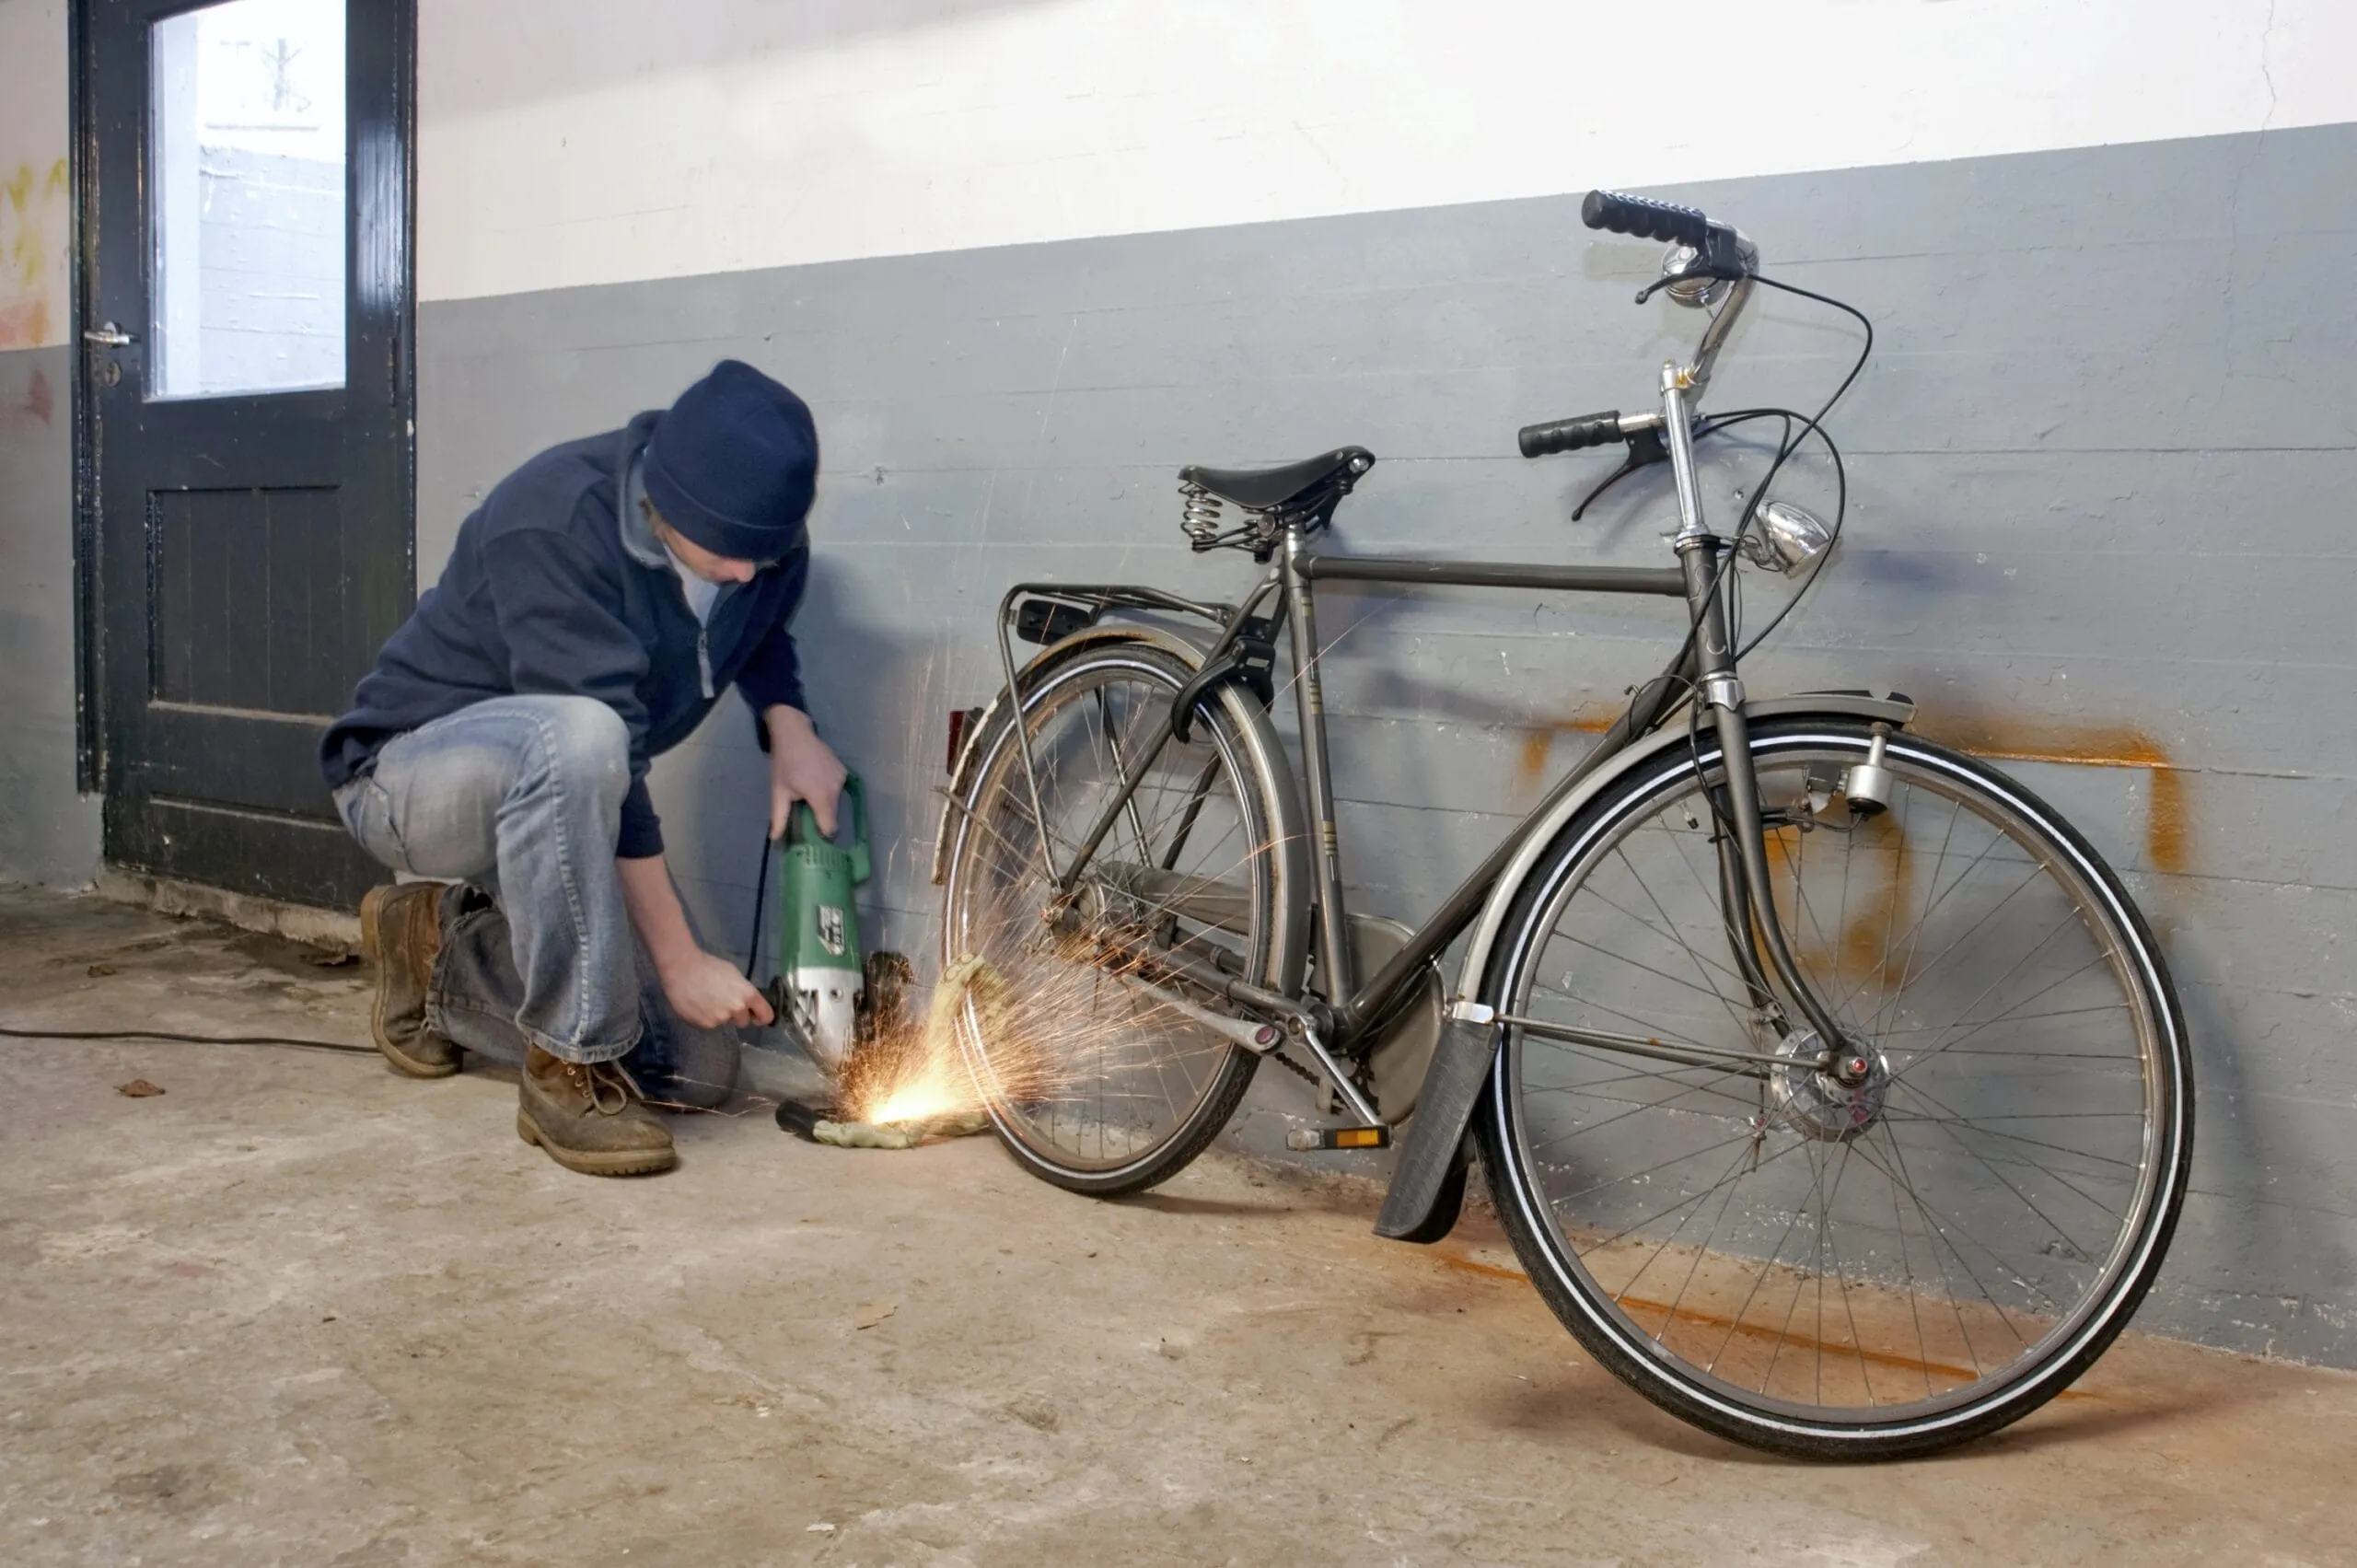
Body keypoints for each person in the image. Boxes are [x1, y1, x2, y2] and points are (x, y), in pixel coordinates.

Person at [320, 359, 847, 1177]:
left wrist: (791, 724)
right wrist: (675, 960)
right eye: (732, 552)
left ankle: (431, 947)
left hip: (557, 807)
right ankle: (565, 1069)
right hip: (408, 777)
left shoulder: (758, 544)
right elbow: (606, 758)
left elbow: (760, 627)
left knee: (694, 1069)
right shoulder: (554, 518)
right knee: (584, 734)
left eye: (766, 555)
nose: (749, 571)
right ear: (666, 501)